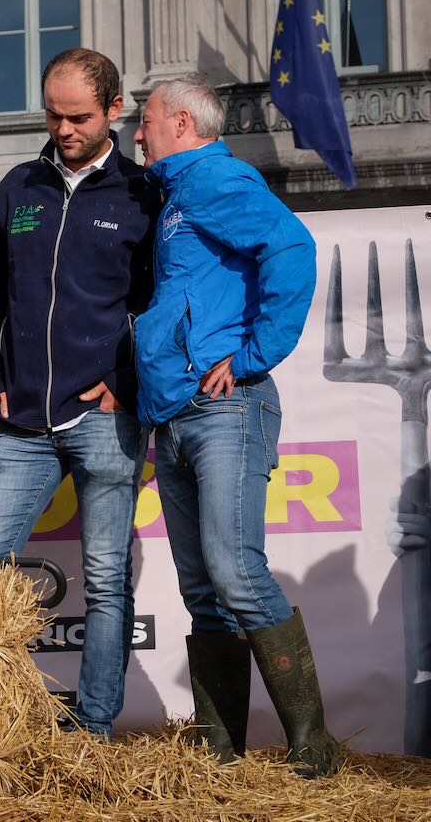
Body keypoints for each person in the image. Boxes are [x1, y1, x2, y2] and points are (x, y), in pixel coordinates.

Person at [133, 74, 340, 777]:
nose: (138, 132)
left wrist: (251, 355)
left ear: (183, 125)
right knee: (202, 590)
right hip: (177, 414)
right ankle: (221, 753)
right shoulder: (175, 194)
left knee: (234, 571)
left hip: (228, 407)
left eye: (147, 120)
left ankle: (315, 749)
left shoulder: (214, 180)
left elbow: (292, 249)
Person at [0, 48, 158, 739]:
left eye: (78, 116)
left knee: (106, 582)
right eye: (53, 114)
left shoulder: (143, 194)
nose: (64, 128)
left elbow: (159, 305)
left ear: (114, 110)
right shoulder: (19, 186)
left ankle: (94, 727)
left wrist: (127, 383)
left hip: (104, 419)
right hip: (20, 422)